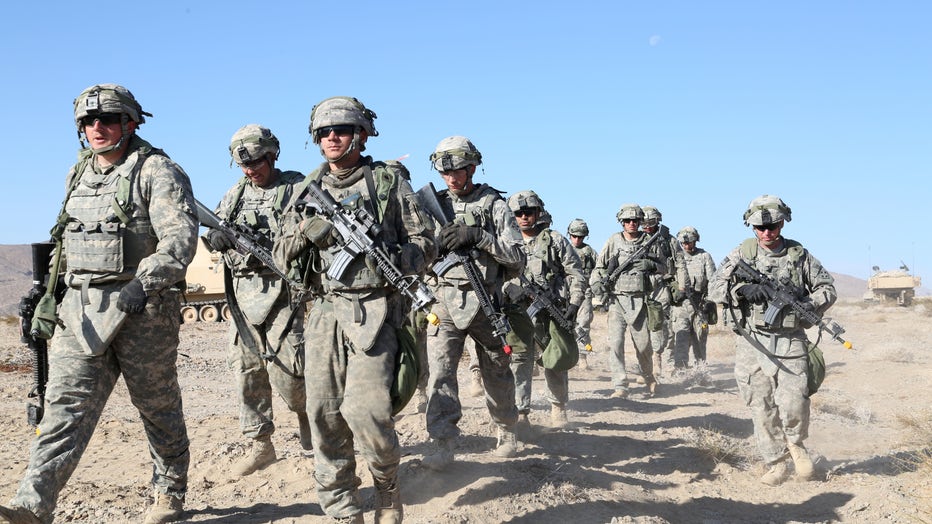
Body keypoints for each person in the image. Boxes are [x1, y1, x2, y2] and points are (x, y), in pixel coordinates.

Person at [0, 84, 197, 524]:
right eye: (88, 122)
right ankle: (32, 506)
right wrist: (44, 295)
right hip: (81, 311)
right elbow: (66, 241)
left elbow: (180, 240)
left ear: (130, 123)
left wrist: (145, 281)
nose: (97, 128)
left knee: (157, 407)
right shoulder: (79, 174)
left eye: (107, 119)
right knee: (63, 409)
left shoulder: (157, 171)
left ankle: (169, 493)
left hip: (142, 311)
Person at [274, 96, 435, 523]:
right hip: (326, 312)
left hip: (378, 309)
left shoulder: (386, 183)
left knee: (368, 413)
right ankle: (343, 509)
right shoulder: (306, 189)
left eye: (341, 130)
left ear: (361, 135)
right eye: (324, 133)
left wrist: (403, 259)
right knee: (323, 415)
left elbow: (426, 239)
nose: (331, 138)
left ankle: (386, 487)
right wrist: (309, 234)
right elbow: (279, 253)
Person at [202, 124, 311, 477]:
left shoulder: (296, 187)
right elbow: (213, 228)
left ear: (272, 155)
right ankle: (261, 445)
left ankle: (309, 417)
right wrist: (217, 238)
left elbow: (314, 230)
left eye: (258, 162)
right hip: (243, 296)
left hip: (286, 294)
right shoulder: (234, 194)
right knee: (246, 372)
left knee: (293, 373)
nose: (251, 170)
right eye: (245, 164)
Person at [708, 195, 836, 486]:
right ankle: (776, 461)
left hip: (790, 337)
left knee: (794, 400)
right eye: (760, 228)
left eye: (773, 226)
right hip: (752, 340)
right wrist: (741, 290)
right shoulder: (742, 253)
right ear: (751, 226)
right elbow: (715, 288)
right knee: (760, 403)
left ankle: (796, 444)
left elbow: (827, 289)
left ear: (783, 222)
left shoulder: (798, 255)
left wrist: (805, 301)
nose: (767, 233)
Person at [420, 136, 525, 469]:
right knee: (441, 373)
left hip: (486, 300)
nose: (451, 178)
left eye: (458, 171)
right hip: (443, 302)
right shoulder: (429, 206)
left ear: (472, 167)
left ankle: (506, 429)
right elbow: (416, 252)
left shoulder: (493, 205)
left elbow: (517, 258)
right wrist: (433, 244)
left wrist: (479, 237)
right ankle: (443, 442)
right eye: (445, 172)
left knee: (497, 370)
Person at [505, 191, 584, 429]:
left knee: (555, 360)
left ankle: (558, 407)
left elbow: (575, 272)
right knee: (519, 361)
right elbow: (491, 274)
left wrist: (574, 302)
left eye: (528, 212)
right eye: (518, 213)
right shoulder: (505, 242)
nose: (524, 217)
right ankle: (521, 413)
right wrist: (509, 288)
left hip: (550, 311)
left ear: (538, 213)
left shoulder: (555, 240)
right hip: (517, 312)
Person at [589, 204, 665, 399]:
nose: (631, 224)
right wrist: (599, 282)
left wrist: (651, 266)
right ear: (621, 222)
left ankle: (648, 377)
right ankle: (620, 385)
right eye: (627, 221)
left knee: (643, 346)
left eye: (635, 220)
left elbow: (665, 267)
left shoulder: (650, 241)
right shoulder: (613, 241)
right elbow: (599, 267)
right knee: (616, 344)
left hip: (640, 300)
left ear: (640, 222)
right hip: (617, 300)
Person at [640, 205, 686, 379]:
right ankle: (644, 363)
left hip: (661, 287)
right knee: (641, 327)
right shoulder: (637, 240)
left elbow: (680, 264)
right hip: (640, 287)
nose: (646, 227)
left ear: (658, 221)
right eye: (643, 223)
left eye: (650, 223)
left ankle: (657, 359)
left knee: (658, 323)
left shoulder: (669, 241)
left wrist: (681, 286)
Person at [669, 226, 716, 369]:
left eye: (689, 242)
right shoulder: (675, 257)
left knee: (700, 339)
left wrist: (709, 300)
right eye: (683, 243)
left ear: (696, 241)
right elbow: (668, 278)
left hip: (699, 304)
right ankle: (680, 370)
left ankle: (700, 370)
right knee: (681, 338)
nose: (686, 245)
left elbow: (713, 280)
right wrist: (675, 291)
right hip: (680, 306)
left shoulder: (704, 256)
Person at [567, 218, 596, 369]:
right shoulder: (563, 248)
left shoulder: (589, 252)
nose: (577, 239)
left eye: (581, 237)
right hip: (565, 293)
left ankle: (583, 356)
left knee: (583, 323)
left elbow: (599, 270)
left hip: (584, 292)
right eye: (574, 236)